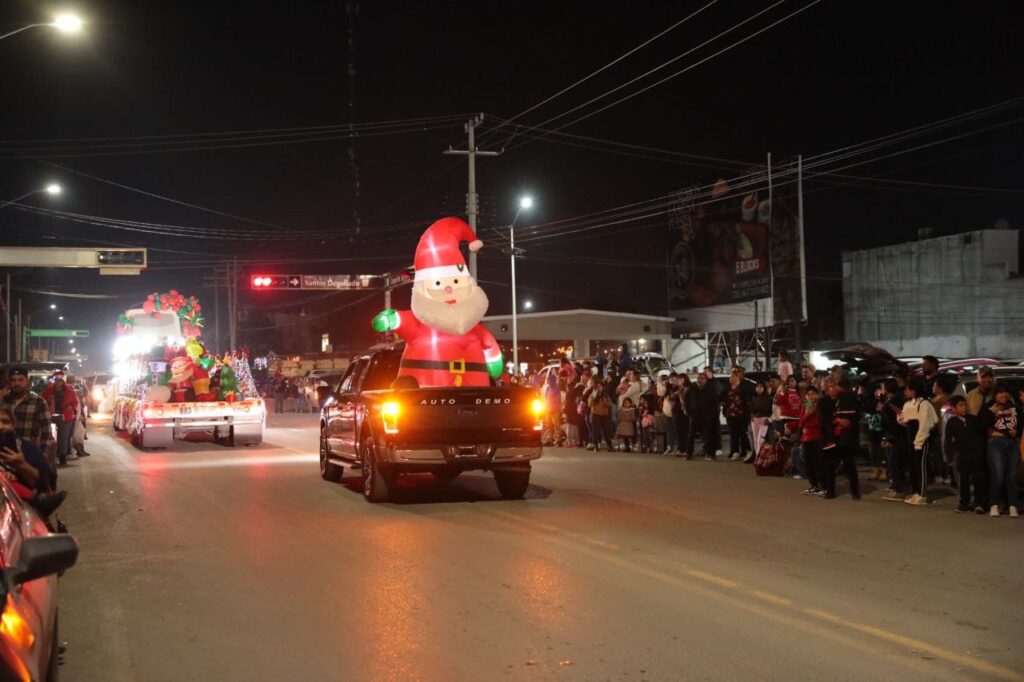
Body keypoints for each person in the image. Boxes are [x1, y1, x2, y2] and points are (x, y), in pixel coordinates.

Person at [0, 405, 65, 518]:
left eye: (5, 421)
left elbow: (46, 483)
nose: (0, 426)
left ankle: (38, 501)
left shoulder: (28, 449)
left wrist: (22, 465)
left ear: (14, 424)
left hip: (27, 515)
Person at [978, 384, 1019, 517]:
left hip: (1012, 444)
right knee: (998, 475)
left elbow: (1021, 421)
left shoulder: (1013, 406)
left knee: (1012, 476)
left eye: (1006, 392)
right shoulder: (989, 406)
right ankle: (994, 504)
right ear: (995, 394)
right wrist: (991, 413)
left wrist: (1017, 431)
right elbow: (980, 425)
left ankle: (1013, 506)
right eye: (1001, 393)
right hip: (995, 443)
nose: (1004, 395)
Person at [0, 368, 55, 464]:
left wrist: (43, 455)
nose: (16, 383)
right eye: (13, 380)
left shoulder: (38, 402)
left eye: (20, 380)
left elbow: (47, 432)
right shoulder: (3, 400)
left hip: (29, 455)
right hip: (6, 454)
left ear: (27, 381)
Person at [943, 395, 987, 514]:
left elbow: (981, 433)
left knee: (978, 478)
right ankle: (964, 503)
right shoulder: (951, 422)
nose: (964, 408)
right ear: (953, 408)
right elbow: (948, 441)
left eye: (965, 405)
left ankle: (979, 503)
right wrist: (949, 457)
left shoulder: (972, 419)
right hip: (962, 454)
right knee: (964, 479)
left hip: (976, 453)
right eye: (960, 405)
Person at [819, 378, 861, 500]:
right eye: (829, 387)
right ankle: (830, 491)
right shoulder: (824, 402)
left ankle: (855, 492)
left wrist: (848, 422)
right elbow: (824, 418)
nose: (832, 388)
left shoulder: (846, 398)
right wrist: (837, 420)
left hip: (846, 437)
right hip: (831, 436)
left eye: (834, 385)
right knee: (830, 465)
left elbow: (856, 414)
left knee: (850, 464)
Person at [900, 382, 939, 507]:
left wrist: (919, 441)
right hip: (910, 438)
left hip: (921, 439)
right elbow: (904, 419)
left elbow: (925, 424)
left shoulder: (924, 404)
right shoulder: (908, 404)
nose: (905, 391)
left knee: (921, 467)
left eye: (908, 389)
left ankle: (922, 494)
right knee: (913, 466)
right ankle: (915, 491)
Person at [41, 370, 80, 466]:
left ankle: (62, 457)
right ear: (54, 380)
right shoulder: (49, 390)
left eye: (60, 380)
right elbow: (41, 400)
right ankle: (52, 457)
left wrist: (71, 407)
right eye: (57, 380)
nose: (58, 382)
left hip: (65, 417)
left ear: (63, 381)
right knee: (51, 436)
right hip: (52, 416)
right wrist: (48, 401)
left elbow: (75, 402)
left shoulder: (70, 390)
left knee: (63, 437)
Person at [684, 372, 718, 460]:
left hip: (706, 416)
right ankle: (689, 453)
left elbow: (714, 403)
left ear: (706, 380)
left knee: (708, 436)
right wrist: (688, 412)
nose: (700, 380)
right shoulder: (692, 387)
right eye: (699, 378)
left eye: (702, 378)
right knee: (691, 435)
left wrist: (711, 415)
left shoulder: (710, 389)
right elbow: (686, 400)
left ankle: (709, 454)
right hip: (694, 415)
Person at [798, 386, 824, 495]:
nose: (811, 396)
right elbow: (801, 423)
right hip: (806, 438)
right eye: (808, 394)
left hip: (817, 438)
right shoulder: (805, 407)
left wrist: (811, 415)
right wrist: (807, 415)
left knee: (818, 463)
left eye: (813, 394)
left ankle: (824, 486)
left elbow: (819, 423)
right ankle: (813, 485)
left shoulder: (820, 407)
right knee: (809, 464)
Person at [722, 373, 750, 461]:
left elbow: (747, 401)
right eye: (730, 377)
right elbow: (722, 398)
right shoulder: (726, 388)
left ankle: (746, 451)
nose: (731, 379)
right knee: (733, 434)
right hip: (730, 414)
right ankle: (735, 451)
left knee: (743, 433)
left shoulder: (743, 389)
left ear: (738, 378)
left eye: (734, 377)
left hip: (742, 415)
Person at [747, 380, 772, 462]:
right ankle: (758, 457)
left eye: (761, 387)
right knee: (755, 439)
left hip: (764, 419)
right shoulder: (754, 397)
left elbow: (766, 409)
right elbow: (751, 409)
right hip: (755, 419)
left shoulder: (768, 398)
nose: (758, 388)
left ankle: (759, 457)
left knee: (760, 439)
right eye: (757, 387)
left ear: (764, 388)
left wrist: (755, 408)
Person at [587, 383, 613, 451]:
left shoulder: (605, 395)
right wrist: (595, 398)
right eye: (597, 387)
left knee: (606, 431)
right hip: (595, 414)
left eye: (600, 387)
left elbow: (610, 404)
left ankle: (609, 446)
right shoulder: (592, 395)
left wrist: (604, 402)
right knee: (596, 431)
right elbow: (589, 404)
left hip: (604, 415)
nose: (599, 388)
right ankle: (596, 446)